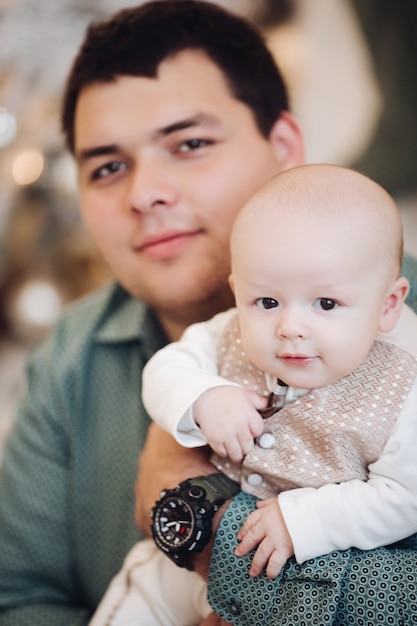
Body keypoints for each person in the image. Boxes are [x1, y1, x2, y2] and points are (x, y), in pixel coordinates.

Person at [0, 1, 415, 624]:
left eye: (190, 143)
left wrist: (212, 529)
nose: (145, 194)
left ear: (283, 147)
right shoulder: (68, 357)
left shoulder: (400, 359)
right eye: (109, 167)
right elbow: (18, 599)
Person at [142, 164, 417, 585]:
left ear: (388, 305)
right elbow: (164, 368)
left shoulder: (403, 387)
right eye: (267, 301)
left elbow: (405, 499)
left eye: (325, 304)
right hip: (178, 568)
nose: (290, 326)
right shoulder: (225, 332)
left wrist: (308, 520)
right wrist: (204, 396)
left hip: (306, 579)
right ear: (238, 290)